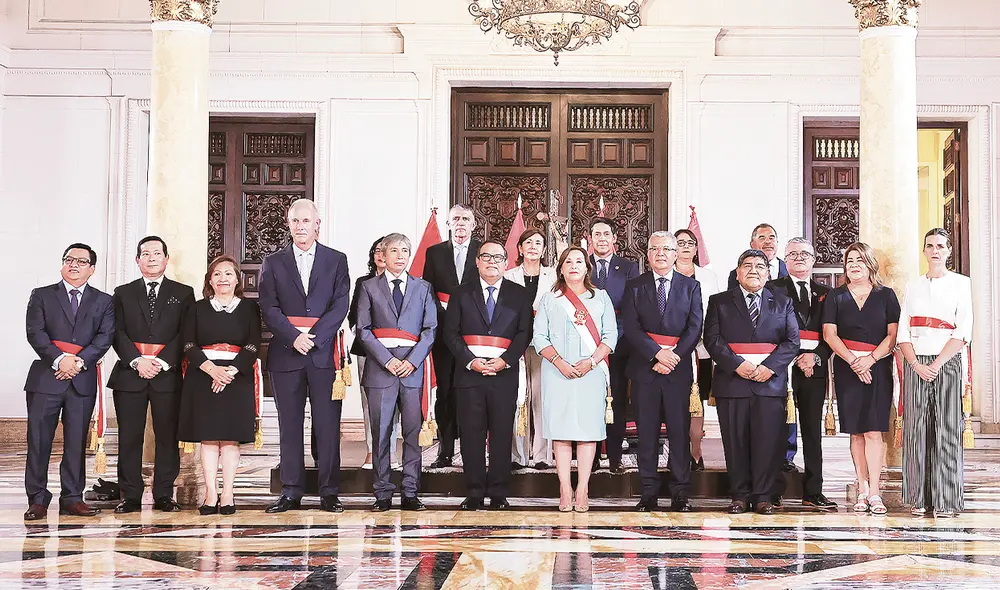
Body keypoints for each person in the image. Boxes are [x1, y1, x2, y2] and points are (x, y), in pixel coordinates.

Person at [259, 199, 351, 513]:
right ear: (289, 225)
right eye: (295, 221)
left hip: (323, 355)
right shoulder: (273, 262)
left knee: (327, 425)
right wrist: (293, 337)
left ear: (317, 225)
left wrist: (315, 338)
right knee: (290, 426)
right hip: (286, 354)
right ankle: (291, 491)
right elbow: (268, 306)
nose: (300, 227)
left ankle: (329, 491)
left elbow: (340, 304)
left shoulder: (336, 260)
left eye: (306, 221)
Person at [23, 243, 115, 520]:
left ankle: (72, 498)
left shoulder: (104, 301)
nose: (73, 264)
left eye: (81, 261)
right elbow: (35, 332)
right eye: (69, 259)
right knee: (39, 441)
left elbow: (104, 337)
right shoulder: (42, 295)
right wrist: (59, 359)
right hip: (46, 379)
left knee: (76, 442)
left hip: (81, 380)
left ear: (92, 269)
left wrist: (77, 363)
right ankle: (37, 499)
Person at [705, 249, 799, 515]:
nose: (753, 270)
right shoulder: (720, 302)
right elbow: (712, 340)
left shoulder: (783, 302)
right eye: (747, 265)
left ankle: (763, 496)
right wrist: (738, 365)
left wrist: (769, 367)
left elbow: (792, 341)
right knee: (735, 442)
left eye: (760, 266)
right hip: (732, 382)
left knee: (767, 442)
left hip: (769, 383)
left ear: (768, 273)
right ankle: (739, 495)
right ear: (738, 273)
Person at [108, 236, 194, 513]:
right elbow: (116, 332)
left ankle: (164, 494)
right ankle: (130, 495)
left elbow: (186, 333)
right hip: (130, 375)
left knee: (167, 437)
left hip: (166, 375)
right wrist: (137, 361)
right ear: (138, 260)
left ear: (166, 258)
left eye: (157, 253)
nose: (152, 258)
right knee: (129, 437)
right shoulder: (123, 292)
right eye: (146, 253)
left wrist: (161, 362)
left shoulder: (183, 293)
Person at [444, 240, 532, 510]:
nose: (492, 262)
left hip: (504, 374)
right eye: (486, 257)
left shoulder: (520, 294)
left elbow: (524, 333)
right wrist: (471, 361)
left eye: (498, 257)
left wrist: (505, 361)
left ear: (506, 262)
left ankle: (498, 492)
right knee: (472, 434)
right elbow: (450, 333)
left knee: (501, 434)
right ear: (477, 261)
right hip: (470, 375)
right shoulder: (461, 293)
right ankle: (473, 492)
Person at [622, 232, 703, 512]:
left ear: (675, 253)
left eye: (666, 249)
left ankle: (680, 493)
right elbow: (631, 327)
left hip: (677, 371)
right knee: (646, 433)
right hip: (645, 369)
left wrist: (673, 357)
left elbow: (695, 327)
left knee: (679, 433)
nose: (660, 254)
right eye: (655, 249)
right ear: (647, 254)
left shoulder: (691, 286)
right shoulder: (635, 286)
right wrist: (657, 354)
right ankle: (648, 492)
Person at [357, 233, 437, 512]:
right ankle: (382, 492)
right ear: (383, 255)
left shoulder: (423, 287)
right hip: (382, 370)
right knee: (381, 433)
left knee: (412, 433)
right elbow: (363, 330)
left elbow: (430, 329)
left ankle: (411, 491)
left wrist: (412, 361)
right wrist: (387, 360)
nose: (400, 255)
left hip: (412, 370)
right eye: (394, 250)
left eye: (405, 250)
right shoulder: (368, 287)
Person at [534, 247, 617, 512]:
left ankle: (582, 487)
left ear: (587, 268)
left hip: (590, 372)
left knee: (586, 430)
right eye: (568, 261)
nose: (573, 266)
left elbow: (610, 336)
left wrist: (591, 361)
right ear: (560, 268)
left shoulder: (600, 297)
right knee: (561, 431)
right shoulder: (549, 299)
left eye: (579, 261)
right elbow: (539, 337)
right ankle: (564, 487)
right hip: (556, 371)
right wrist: (559, 362)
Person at [898, 228, 973, 518]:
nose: (935, 251)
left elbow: (963, 330)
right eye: (930, 246)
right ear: (924, 251)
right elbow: (903, 330)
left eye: (940, 246)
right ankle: (919, 498)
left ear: (949, 251)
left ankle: (947, 500)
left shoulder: (961, 284)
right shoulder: (912, 286)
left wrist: (937, 364)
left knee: (947, 430)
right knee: (916, 431)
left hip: (947, 361)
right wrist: (916, 364)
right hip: (916, 362)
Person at [178, 256, 261, 516]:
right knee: (209, 437)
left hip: (237, 377)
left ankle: (228, 493)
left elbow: (253, 344)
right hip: (203, 376)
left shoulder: (249, 308)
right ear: (210, 281)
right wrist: (212, 370)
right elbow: (188, 344)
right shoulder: (197, 308)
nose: (222, 278)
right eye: (217, 274)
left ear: (237, 280)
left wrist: (230, 371)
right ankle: (211, 493)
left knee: (230, 438)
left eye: (228, 274)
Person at [822, 242, 900, 516]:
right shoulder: (835, 296)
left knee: (874, 430)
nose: (854, 265)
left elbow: (893, 335)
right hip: (847, 368)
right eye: (850, 260)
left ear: (870, 264)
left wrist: (870, 359)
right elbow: (829, 334)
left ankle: (875, 491)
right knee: (856, 431)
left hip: (877, 367)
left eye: (860, 260)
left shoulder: (886, 295)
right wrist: (854, 361)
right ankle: (862, 488)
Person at [766, 238, 837, 510]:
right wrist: (792, 355)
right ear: (785, 260)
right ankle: (773, 490)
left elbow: (833, 333)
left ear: (813, 259)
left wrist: (815, 356)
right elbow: (767, 328)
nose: (799, 258)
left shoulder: (827, 293)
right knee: (775, 429)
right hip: (780, 367)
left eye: (804, 254)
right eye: (793, 254)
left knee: (812, 431)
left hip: (813, 368)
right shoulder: (772, 288)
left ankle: (813, 491)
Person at [726, 223, 795, 472]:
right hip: (741, 371)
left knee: (780, 424)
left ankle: (783, 463)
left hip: (777, 367)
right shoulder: (730, 286)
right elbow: (725, 329)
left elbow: (791, 335)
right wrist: (740, 363)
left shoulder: (787, 278)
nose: (768, 241)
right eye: (762, 237)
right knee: (740, 438)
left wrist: (771, 365)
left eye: (772, 237)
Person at [422, 204, 482, 468]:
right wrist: (444, 314)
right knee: (445, 392)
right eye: (455, 218)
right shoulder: (434, 252)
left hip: (475, 335)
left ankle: (471, 452)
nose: (460, 223)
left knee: (471, 394)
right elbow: (427, 290)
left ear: (473, 225)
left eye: (465, 219)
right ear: (448, 224)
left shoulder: (483, 250)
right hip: (444, 335)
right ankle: (445, 451)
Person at [588, 217, 639, 474]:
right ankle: (592, 457)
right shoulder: (581, 263)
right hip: (586, 342)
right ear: (590, 239)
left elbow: (632, 305)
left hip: (619, 343)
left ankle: (615, 457)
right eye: (596, 234)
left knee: (615, 400)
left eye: (606, 234)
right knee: (590, 401)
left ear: (614, 238)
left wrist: (616, 338)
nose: (601, 238)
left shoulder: (629, 267)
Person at [505, 228, 557, 470]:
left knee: (542, 398)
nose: (533, 247)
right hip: (514, 344)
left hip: (543, 345)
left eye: (538, 243)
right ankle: (517, 455)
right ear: (520, 248)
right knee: (518, 397)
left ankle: (542, 455)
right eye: (529, 243)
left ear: (544, 249)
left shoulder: (553, 276)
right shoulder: (508, 276)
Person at [349, 237, 400, 470]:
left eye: (384, 251)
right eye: (376, 251)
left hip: (396, 353)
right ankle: (372, 450)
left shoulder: (404, 282)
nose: (380, 255)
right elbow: (354, 316)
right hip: (367, 350)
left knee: (394, 403)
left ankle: (391, 451)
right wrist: (369, 337)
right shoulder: (364, 282)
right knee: (370, 403)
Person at [673, 228, 721, 472]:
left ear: (696, 248)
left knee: (696, 400)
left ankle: (695, 451)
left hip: (701, 350)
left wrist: (701, 336)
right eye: (680, 242)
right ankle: (676, 451)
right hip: (670, 350)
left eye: (690, 243)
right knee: (673, 401)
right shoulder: (665, 273)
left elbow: (715, 310)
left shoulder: (708, 277)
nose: (685, 247)